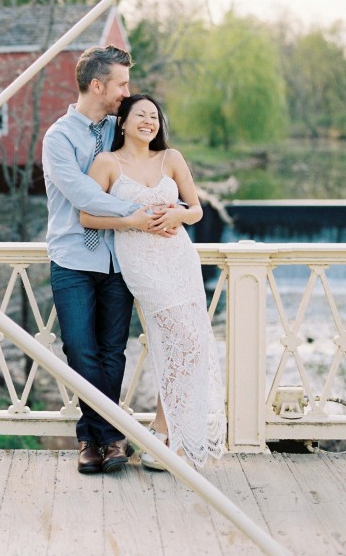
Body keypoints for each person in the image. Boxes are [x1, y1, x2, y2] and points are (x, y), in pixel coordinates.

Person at [80, 93, 226, 470]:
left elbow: (196, 210)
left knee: (186, 342)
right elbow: (87, 216)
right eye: (141, 115)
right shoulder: (107, 162)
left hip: (178, 256)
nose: (149, 121)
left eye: (155, 117)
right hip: (140, 261)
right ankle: (165, 438)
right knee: (181, 336)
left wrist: (178, 214)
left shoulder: (171, 158)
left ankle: (164, 437)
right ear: (123, 123)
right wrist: (131, 222)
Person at [42, 45, 162, 474]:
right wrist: (134, 215)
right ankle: (109, 435)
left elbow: (149, 168)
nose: (127, 92)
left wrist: (168, 204)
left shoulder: (120, 128)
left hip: (119, 259)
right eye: (122, 84)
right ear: (98, 85)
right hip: (73, 258)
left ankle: (93, 441)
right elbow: (83, 196)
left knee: (114, 352)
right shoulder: (58, 138)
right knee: (79, 351)